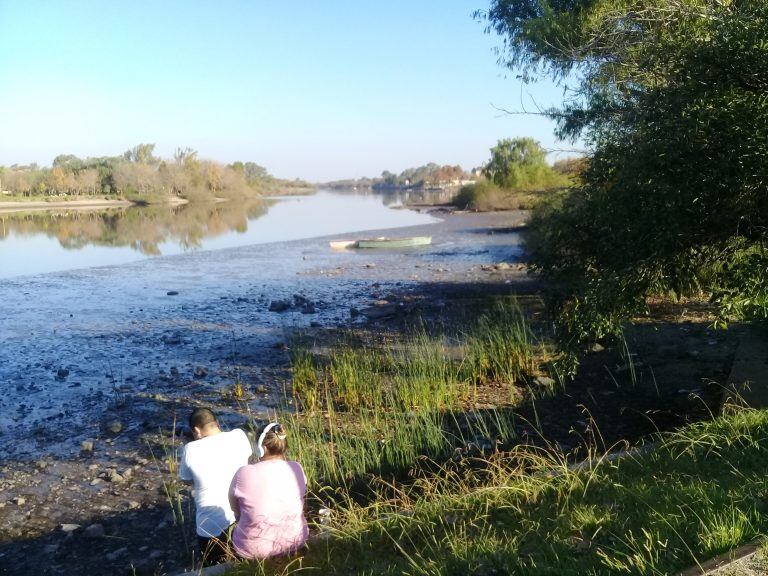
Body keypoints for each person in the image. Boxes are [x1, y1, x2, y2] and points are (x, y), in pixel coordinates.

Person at [179, 407, 252, 565]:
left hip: (210, 527)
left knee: (213, 567)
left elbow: (186, 480)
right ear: (216, 423)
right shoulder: (239, 436)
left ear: (196, 430)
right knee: (241, 564)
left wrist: (187, 444)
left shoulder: (190, 449)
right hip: (242, 518)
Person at [229, 422, 309, 560]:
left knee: (234, 527)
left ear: (262, 448)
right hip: (296, 540)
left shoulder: (244, 473)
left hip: (255, 550)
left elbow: (234, 508)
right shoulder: (297, 468)